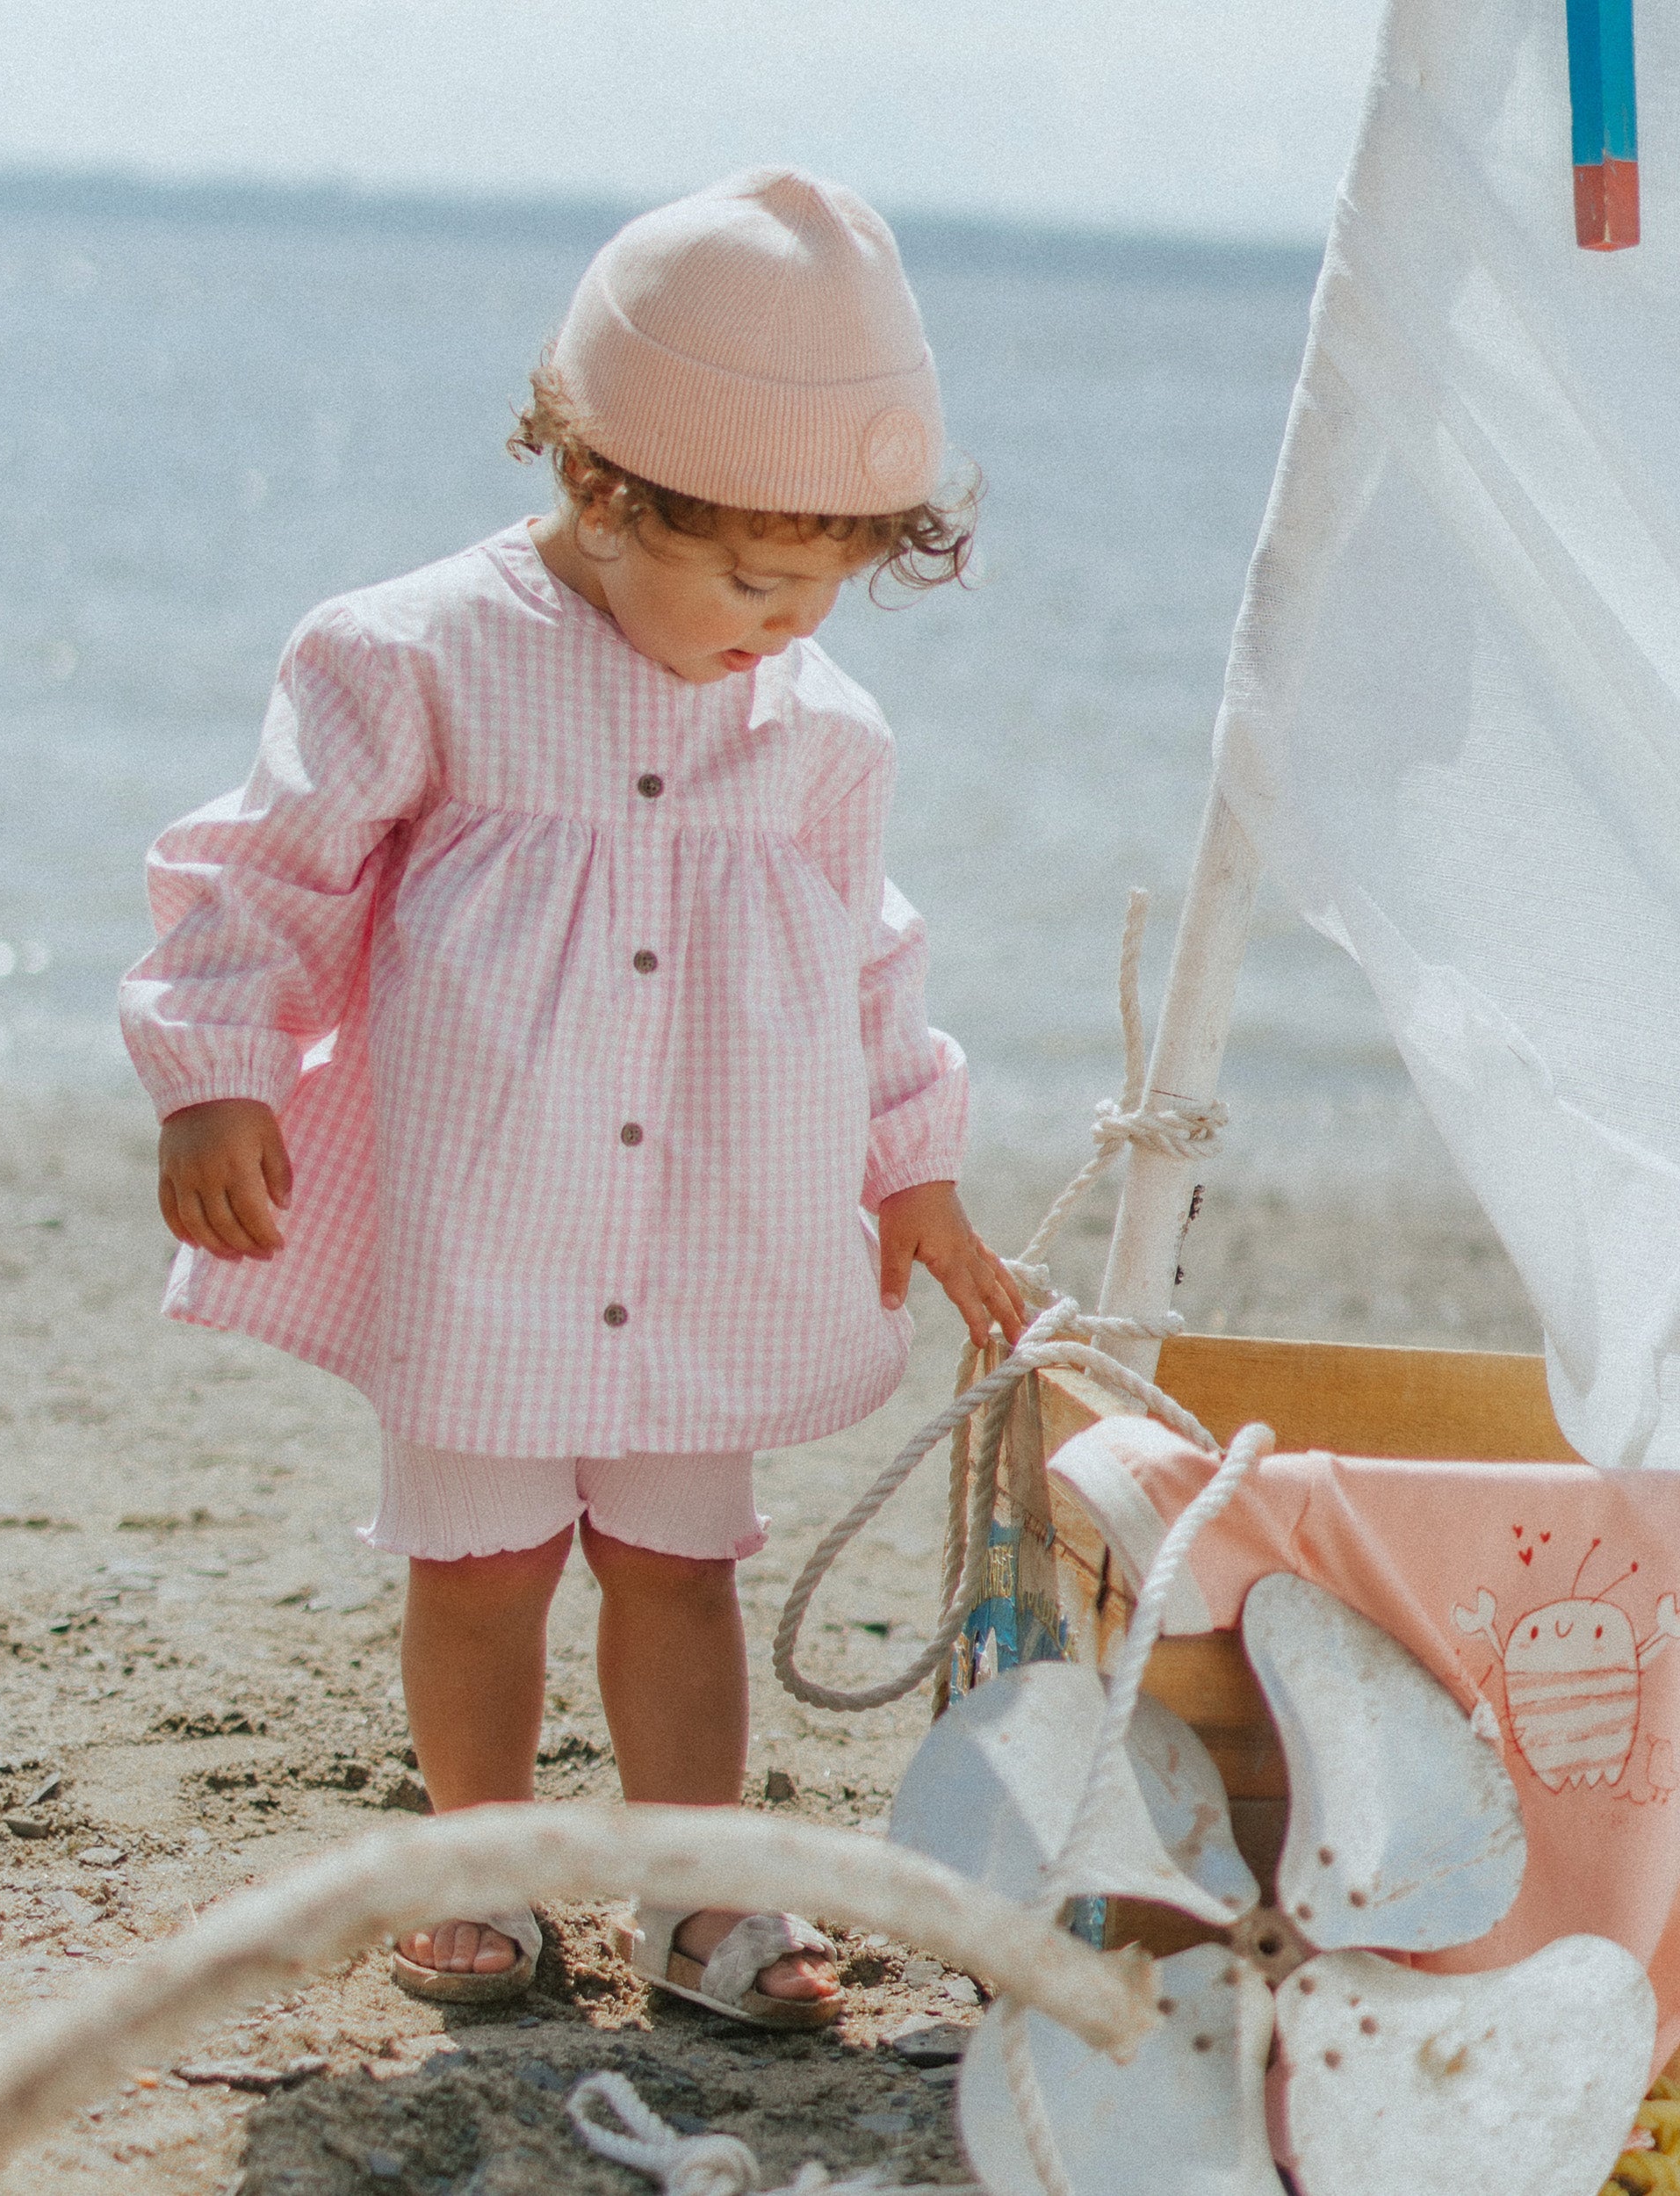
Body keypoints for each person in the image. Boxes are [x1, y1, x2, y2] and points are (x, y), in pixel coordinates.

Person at [119, 169, 1028, 2025]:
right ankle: (479, 1870)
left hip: (709, 1225)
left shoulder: (819, 731)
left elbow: (869, 961)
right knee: (479, 1563)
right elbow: (268, 869)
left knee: (680, 1566)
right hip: (489, 1223)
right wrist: (214, 1074)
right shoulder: (415, 654)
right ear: (608, 491)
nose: (785, 623)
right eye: (753, 578)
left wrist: (914, 1170)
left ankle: (702, 1895)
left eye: (825, 584)